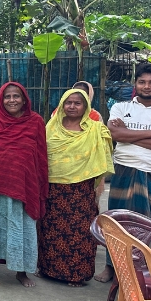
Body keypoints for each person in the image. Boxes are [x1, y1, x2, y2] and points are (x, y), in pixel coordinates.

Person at [38, 89, 114, 286]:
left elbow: (102, 157)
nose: (72, 106)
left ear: (86, 106)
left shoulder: (96, 130)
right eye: (68, 102)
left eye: (77, 103)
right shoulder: (51, 128)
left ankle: (77, 275)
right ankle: (47, 269)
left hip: (81, 189)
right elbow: (42, 155)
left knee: (79, 231)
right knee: (50, 229)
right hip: (54, 187)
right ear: (62, 104)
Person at [0, 82, 48, 287]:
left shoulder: (35, 122)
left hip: (24, 186)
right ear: (0, 99)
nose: (12, 100)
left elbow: (41, 155)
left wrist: (40, 182)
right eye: (7, 97)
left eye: (16, 96)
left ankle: (22, 271)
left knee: (22, 226)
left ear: (24, 99)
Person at [99, 63, 151, 282]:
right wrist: (150, 134)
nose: (147, 86)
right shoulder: (121, 107)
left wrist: (127, 133)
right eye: (142, 82)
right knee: (117, 222)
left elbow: (122, 134)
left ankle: (144, 270)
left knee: (147, 225)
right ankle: (111, 267)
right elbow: (113, 134)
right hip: (123, 170)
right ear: (136, 84)